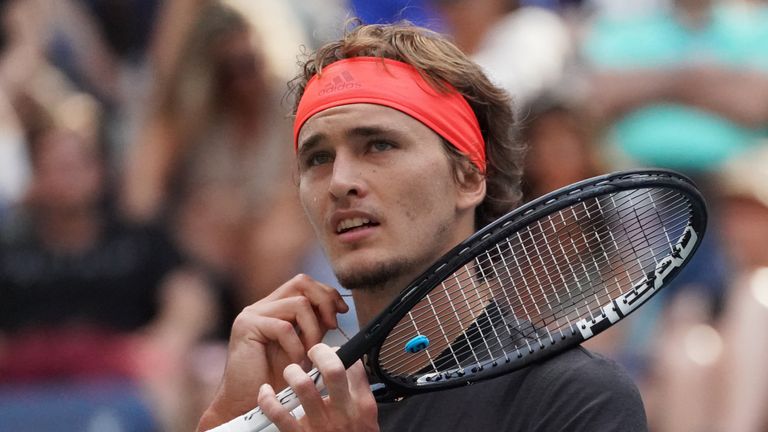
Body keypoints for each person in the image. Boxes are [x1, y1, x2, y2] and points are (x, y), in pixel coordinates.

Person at [197, 21, 647, 431]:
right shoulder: (290, 406)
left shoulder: (576, 397)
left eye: (378, 145)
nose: (340, 182)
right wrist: (227, 418)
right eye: (318, 158)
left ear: (469, 177)